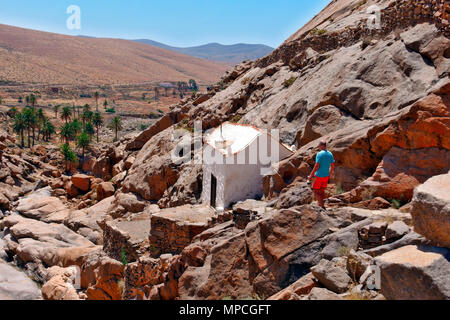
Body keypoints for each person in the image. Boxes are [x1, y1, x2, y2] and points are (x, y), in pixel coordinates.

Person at [308, 140, 335, 209]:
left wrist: (311, 175)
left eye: (319, 145)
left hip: (319, 175)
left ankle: (322, 206)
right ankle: (320, 205)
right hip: (326, 176)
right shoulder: (330, 154)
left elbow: (317, 165)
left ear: (322, 146)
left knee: (315, 190)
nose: (318, 147)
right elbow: (332, 166)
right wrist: (329, 173)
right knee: (321, 191)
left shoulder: (319, 154)